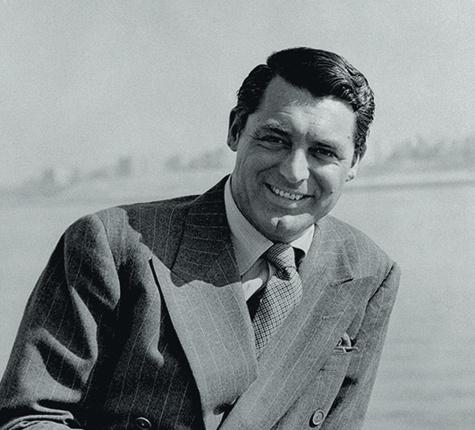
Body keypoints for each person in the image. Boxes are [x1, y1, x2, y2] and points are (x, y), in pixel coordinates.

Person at [0, 47, 400, 430]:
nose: (294, 172)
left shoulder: (368, 272)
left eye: (323, 152)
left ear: (354, 162)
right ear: (236, 129)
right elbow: (29, 417)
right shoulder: (113, 245)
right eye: (275, 139)